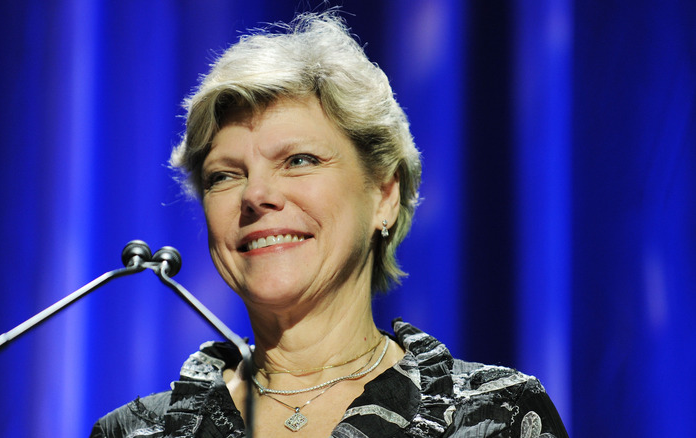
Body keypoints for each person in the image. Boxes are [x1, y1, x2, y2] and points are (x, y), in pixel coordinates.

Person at [91, 11, 568, 438]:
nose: (256, 195)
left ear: (384, 194)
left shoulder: (497, 417)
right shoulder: (133, 432)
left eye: (299, 160)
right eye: (225, 175)